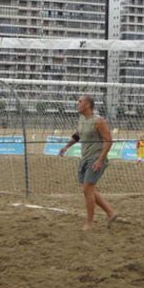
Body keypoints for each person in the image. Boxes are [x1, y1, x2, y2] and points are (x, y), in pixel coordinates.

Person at [58, 95, 118, 230]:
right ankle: (110, 212)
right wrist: (66, 146)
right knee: (87, 189)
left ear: (88, 105)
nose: (77, 103)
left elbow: (109, 141)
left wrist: (100, 160)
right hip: (84, 158)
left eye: (80, 102)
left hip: (95, 158)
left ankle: (89, 223)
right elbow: (77, 135)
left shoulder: (98, 121)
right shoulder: (81, 120)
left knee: (87, 189)